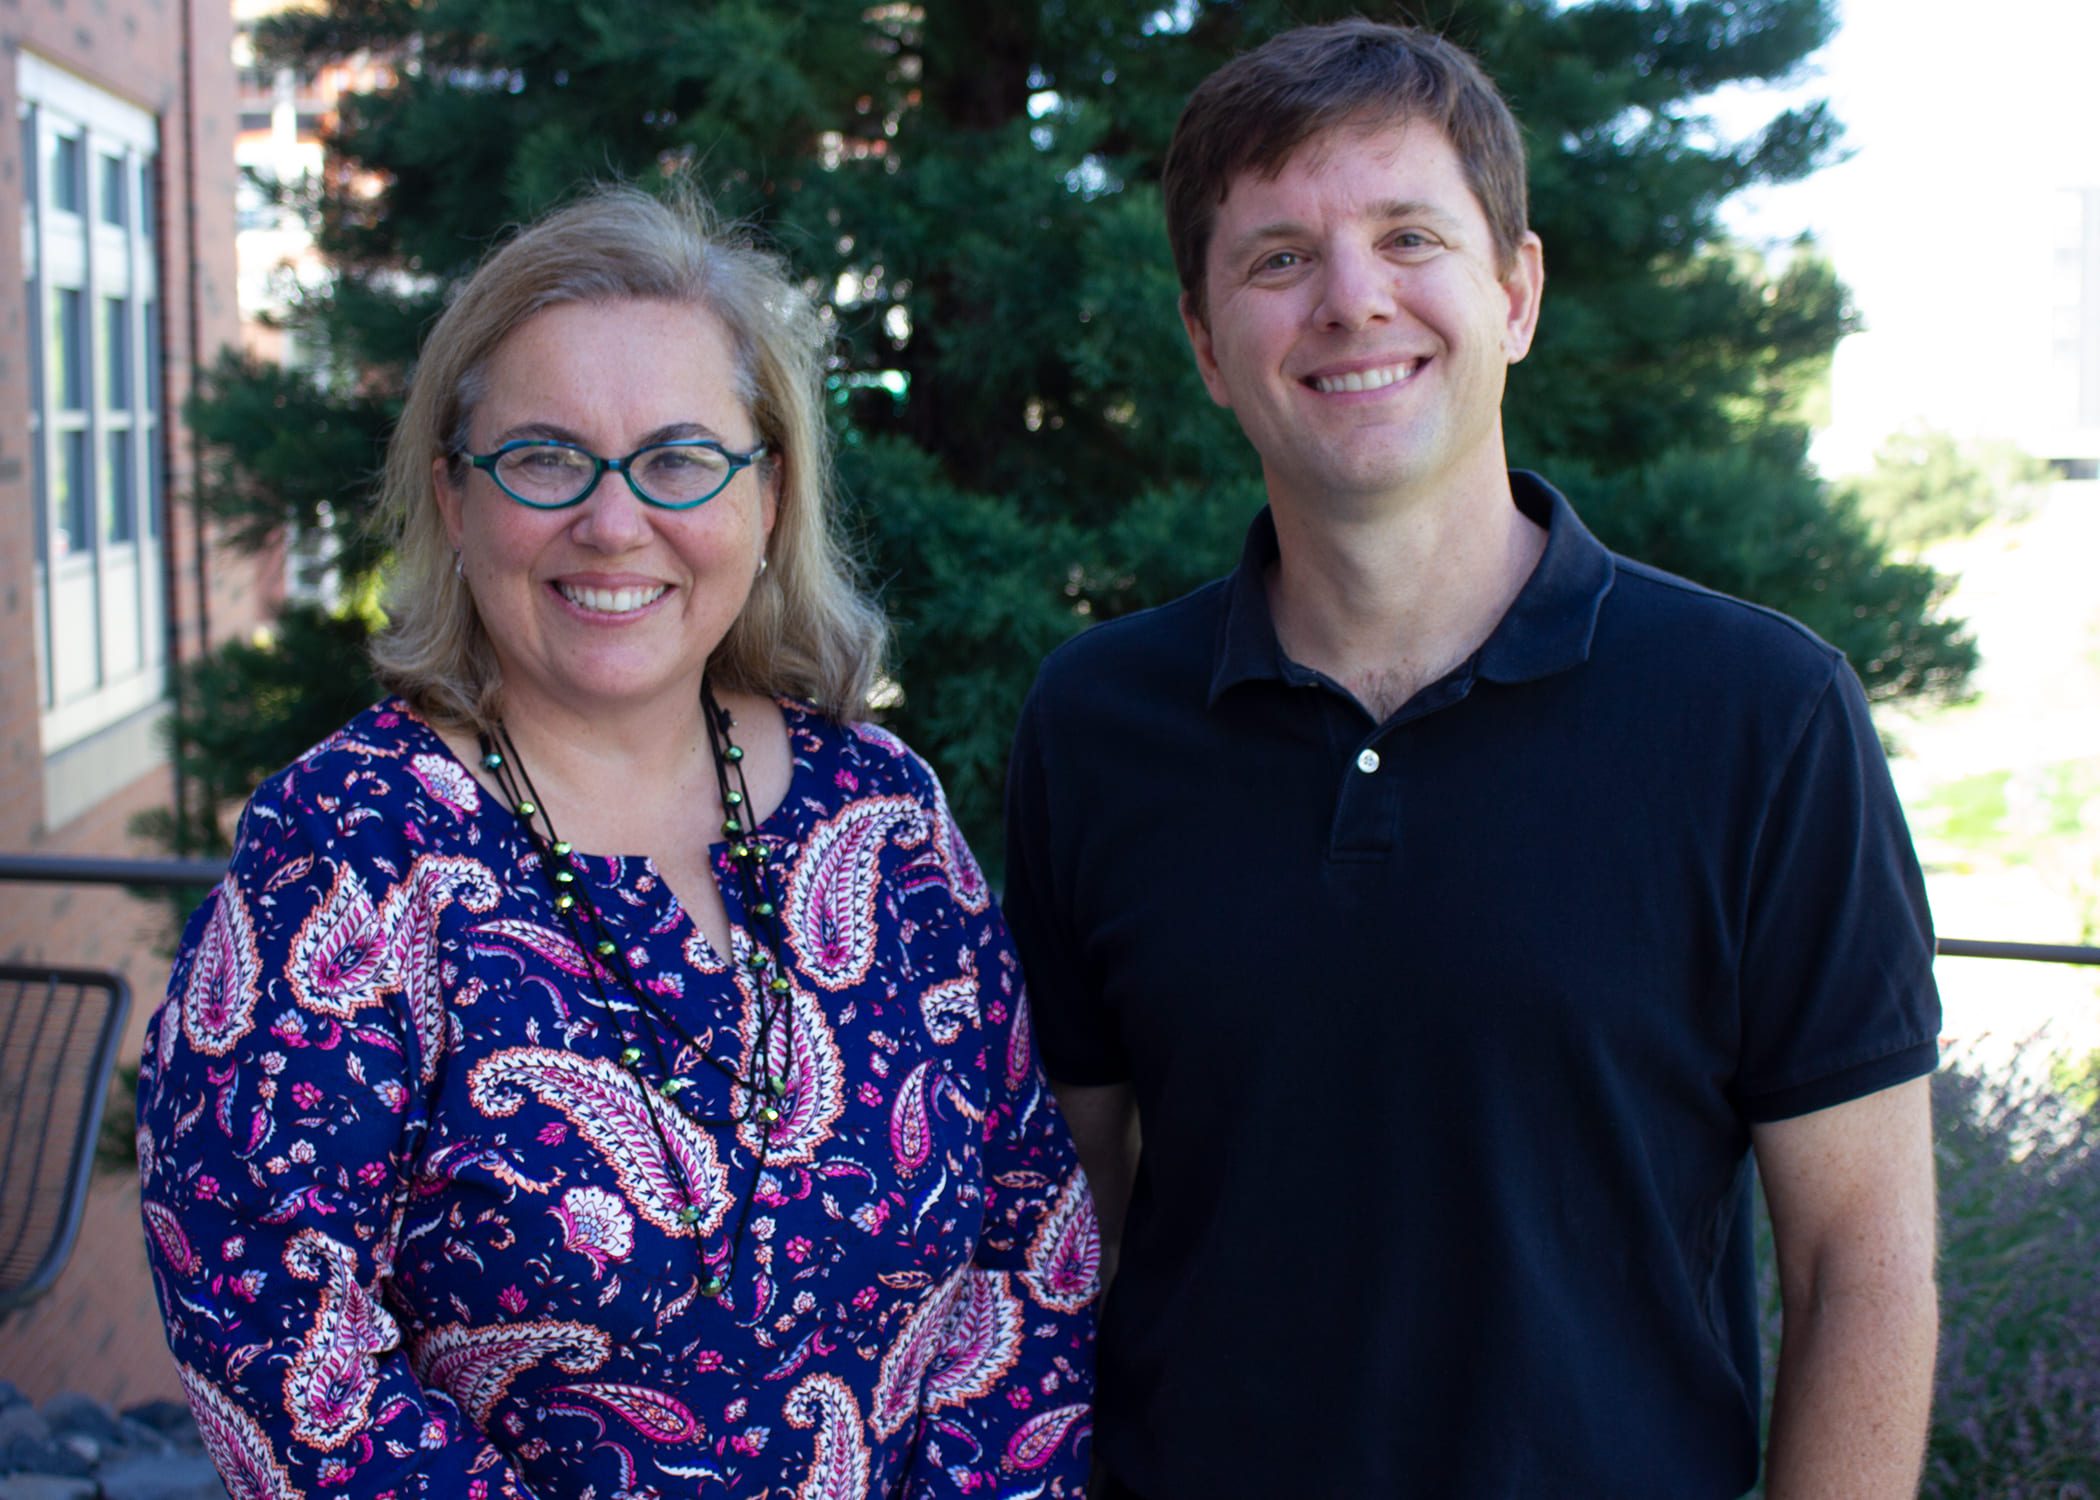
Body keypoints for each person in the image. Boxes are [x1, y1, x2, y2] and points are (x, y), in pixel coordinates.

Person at [1002, 20, 1938, 1500]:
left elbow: (1863, 1269)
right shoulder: (1097, 722)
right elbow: (1079, 1226)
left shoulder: (1762, 714)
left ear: (1515, 292)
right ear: (1203, 342)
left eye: (1410, 236)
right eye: (1279, 258)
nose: (1353, 300)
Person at [138, 185, 1096, 1500]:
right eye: (543, 457)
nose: (612, 519)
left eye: (678, 459)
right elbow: (278, 1339)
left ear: (765, 498)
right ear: (454, 499)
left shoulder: (884, 817)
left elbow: (1030, 1238)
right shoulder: (349, 850)